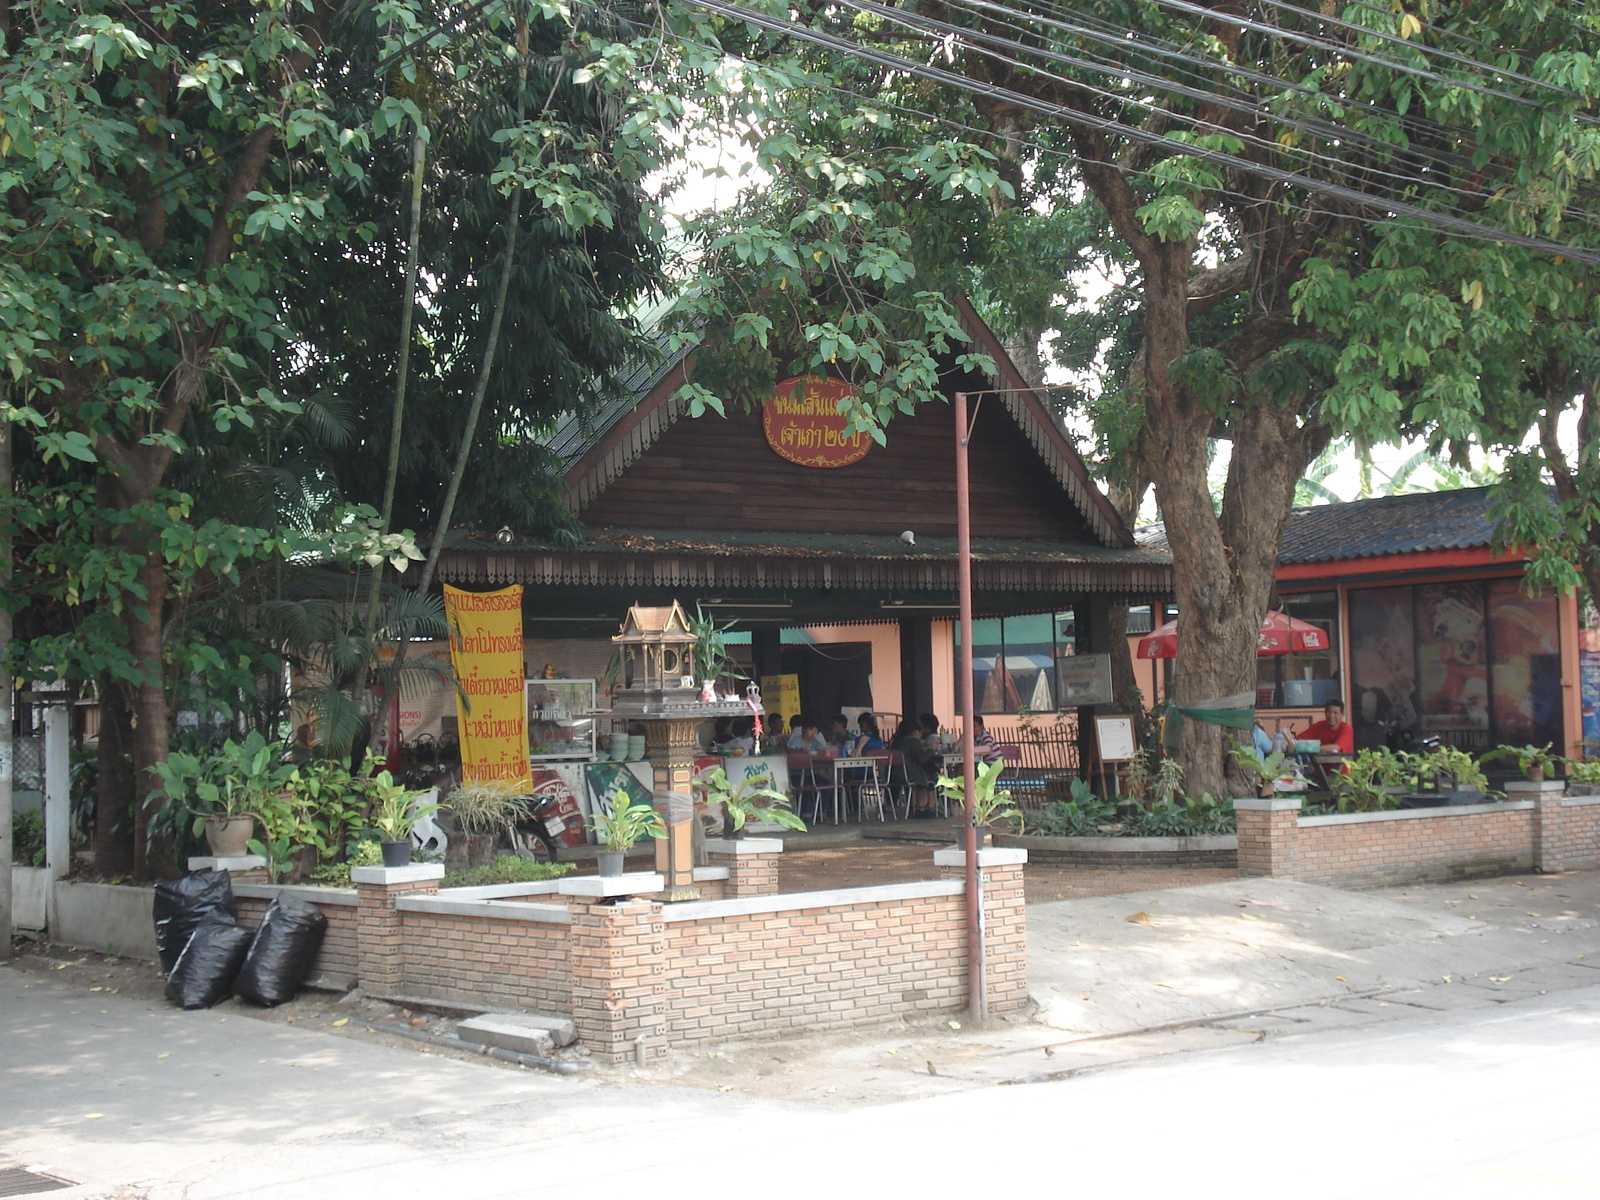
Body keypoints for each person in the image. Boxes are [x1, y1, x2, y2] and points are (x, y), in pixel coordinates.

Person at [891, 717, 940, 817]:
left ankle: (919, 807)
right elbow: (921, 759)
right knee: (930, 779)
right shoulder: (913, 742)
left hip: (895, 774)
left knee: (928, 775)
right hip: (911, 774)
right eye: (920, 732)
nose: (921, 735)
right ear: (915, 732)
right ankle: (924, 808)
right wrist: (931, 749)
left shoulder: (896, 742)